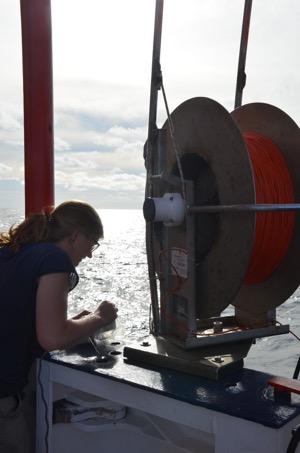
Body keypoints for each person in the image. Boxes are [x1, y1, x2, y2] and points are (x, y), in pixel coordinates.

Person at [0, 200, 118, 453]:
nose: (90, 254)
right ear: (76, 236)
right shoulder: (54, 258)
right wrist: (99, 317)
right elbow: (52, 338)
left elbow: (16, 317)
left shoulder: (13, 251)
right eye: (93, 242)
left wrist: (76, 324)